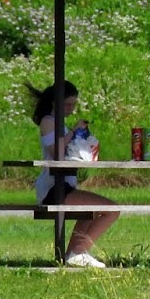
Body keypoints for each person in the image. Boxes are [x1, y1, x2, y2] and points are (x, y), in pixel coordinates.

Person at [28, 80, 119, 268]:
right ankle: (78, 253)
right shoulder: (48, 122)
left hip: (65, 186)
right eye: (67, 104)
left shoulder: (59, 124)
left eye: (73, 104)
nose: (71, 108)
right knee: (111, 209)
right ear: (55, 103)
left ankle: (74, 255)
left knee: (95, 210)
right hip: (53, 188)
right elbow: (57, 152)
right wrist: (74, 132)